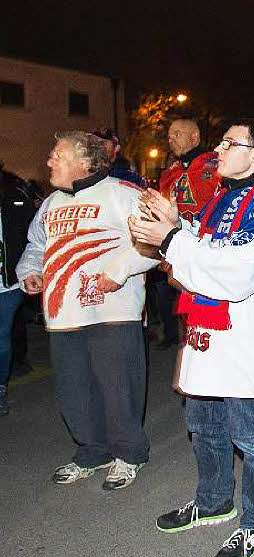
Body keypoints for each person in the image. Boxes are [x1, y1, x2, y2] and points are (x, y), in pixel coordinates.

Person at [131, 119, 254, 557]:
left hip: (243, 339)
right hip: (207, 333)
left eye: (230, 143)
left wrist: (171, 239)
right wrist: (173, 225)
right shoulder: (223, 197)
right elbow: (204, 248)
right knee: (203, 423)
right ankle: (213, 501)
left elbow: (241, 269)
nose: (218, 149)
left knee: (252, 434)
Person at [17, 131, 157, 488]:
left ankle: (128, 453)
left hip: (113, 311)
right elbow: (36, 245)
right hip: (63, 315)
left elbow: (157, 242)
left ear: (85, 162)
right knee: (74, 389)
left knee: (118, 386)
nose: (49, 161)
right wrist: (31, 270)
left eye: (57, 155)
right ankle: (93, 450)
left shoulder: (123, 195)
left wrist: (117, 271)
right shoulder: (50, 204)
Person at [155, 118, 220, 349]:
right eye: (170, 134)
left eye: (177, 134)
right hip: (175, 245)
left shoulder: (216, 166)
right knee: (173, 298)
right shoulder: (171, 171)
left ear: (195, 137)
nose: (171, 138)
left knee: (203, 304)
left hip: (206, 246)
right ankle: (185, 344)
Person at [0, 166, 38, 415]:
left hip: (7, 284)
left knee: (0, 335)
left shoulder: (14, 194)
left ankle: (0, 388)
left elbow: (33, 237)